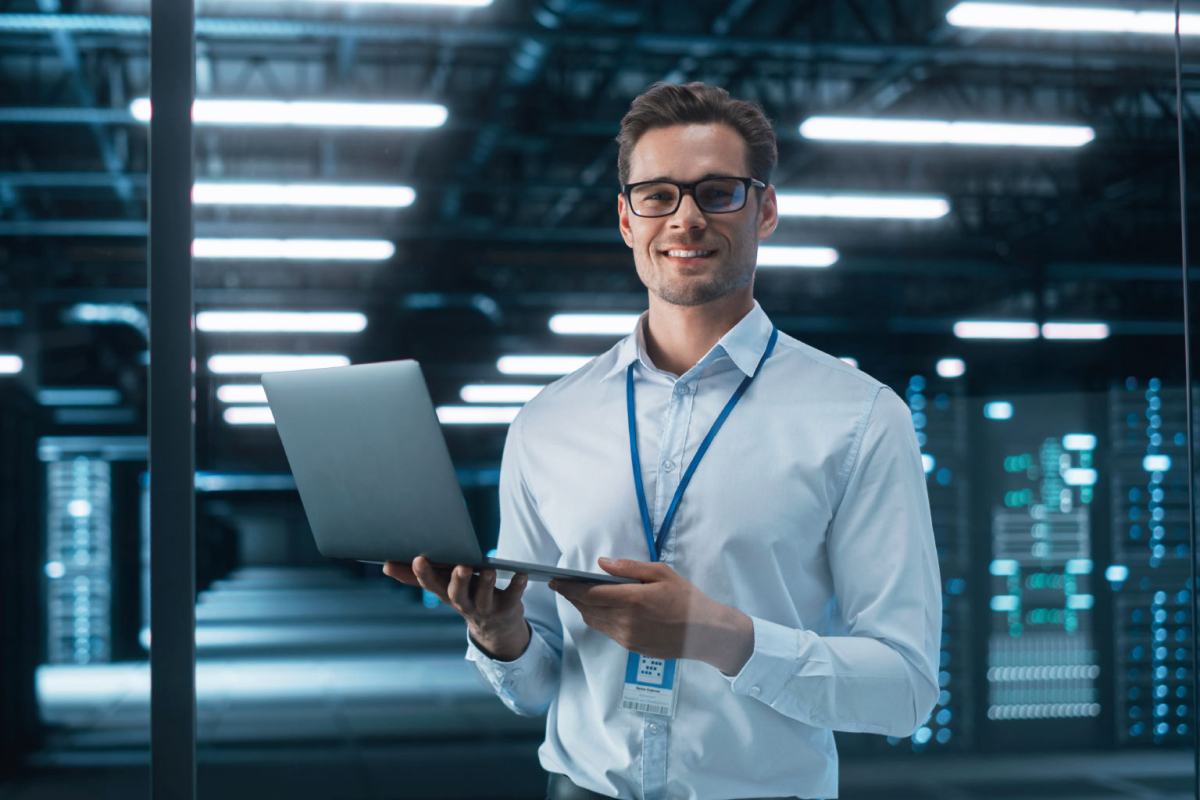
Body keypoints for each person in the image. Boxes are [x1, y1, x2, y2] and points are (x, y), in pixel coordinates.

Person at [384, 81, 942, 800]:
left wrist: (720, 635)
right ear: (625, 218)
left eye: (717, 192)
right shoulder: (549, 421)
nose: (685, 218)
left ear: (764, 209)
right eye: (657, 195)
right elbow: (538, 685)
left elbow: (903, 690)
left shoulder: (860, 417)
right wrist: (500, 634)